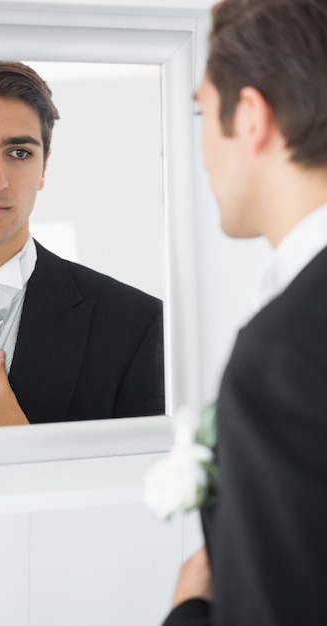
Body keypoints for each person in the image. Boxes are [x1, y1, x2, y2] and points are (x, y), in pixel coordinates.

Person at [162, 0, 327, 624]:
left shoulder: (284, 352)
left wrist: (190, 608)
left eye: (204, 112)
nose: (201, 148)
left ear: (251, 116)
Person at [0, 60, 164, 430]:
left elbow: (145, 481)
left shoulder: (135, 324)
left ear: (43, 168)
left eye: (19, 153)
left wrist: (19, 444)